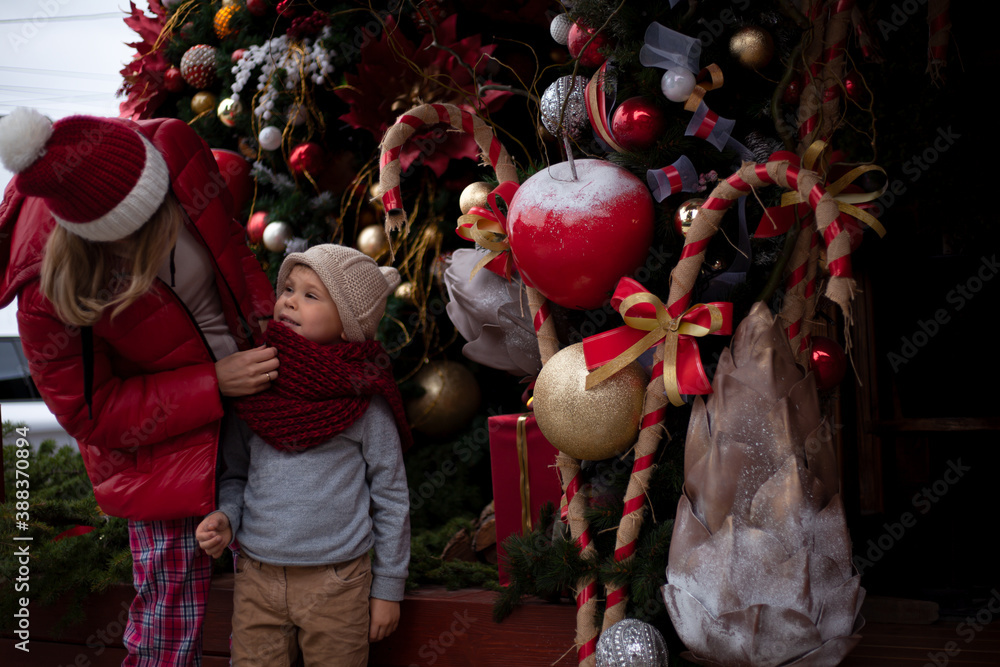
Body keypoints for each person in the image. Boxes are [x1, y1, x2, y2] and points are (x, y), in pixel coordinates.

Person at [0, 108, 277, 666]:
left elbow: (234, 253)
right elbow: (92, 414)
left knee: (280, 603)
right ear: (106, 240)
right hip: (162, 452)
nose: (173, 215)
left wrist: (274, 330)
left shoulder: (173, 145)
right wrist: (214, 384)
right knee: (166, 635)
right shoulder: (45, 291)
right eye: (153, 220)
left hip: (263, 407)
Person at [195, 244, 412, 667]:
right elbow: (236, 475)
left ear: (349, 324)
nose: (289, 299)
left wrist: (388, 589)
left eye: (311, 295)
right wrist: (226, 517)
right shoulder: (258, 385)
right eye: (288, 288)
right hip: (258, 575)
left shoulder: (364, 400)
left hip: (338, 579)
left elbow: (391, 496)